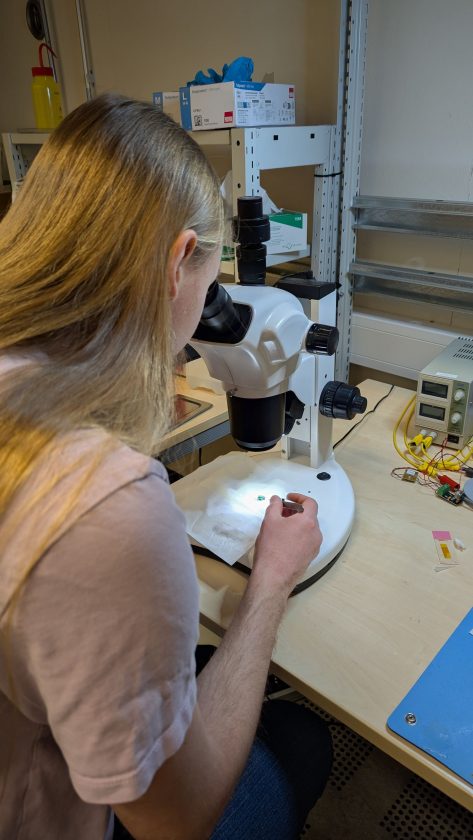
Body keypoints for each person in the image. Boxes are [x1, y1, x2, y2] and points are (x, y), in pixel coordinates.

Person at [0, 94, 332, 840]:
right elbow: (175, 820)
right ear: (180, 261)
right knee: (304, 740)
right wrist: (270, 584)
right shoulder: (104, 503)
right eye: (209, 289)